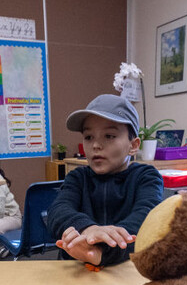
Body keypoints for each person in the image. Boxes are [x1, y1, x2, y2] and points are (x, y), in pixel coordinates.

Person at [47, 94, 164, 267]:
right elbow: (58, 211)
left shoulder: (146, 177)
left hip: (126, 268)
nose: (96, 145)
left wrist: (101, 252)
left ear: (133, 145)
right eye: (88, 137)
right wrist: (89, 230)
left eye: (109, 136)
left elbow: (144, 221)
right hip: (77, 269)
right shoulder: (78, 177)